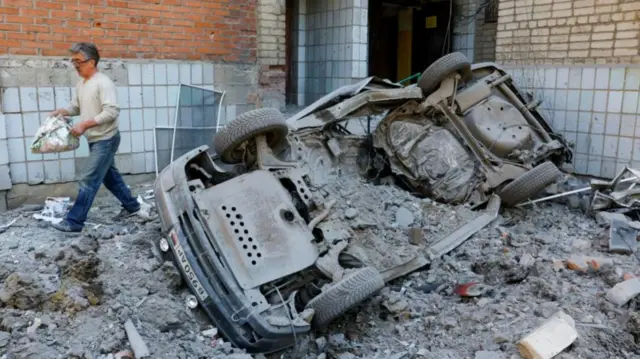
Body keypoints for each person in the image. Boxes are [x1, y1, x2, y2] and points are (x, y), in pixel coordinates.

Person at [49, 42, 150, 232]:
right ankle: (133, 206)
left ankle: (74, 222)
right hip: (94, 139)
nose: (75, 65)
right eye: (73, 61)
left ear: (91, 62)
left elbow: (111, 112)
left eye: (78, 61)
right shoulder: (82, 84)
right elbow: (76, 107)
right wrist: (62, 111)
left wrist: (85, 124)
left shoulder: (103, 83)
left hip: (106, 138)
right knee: (109, 177)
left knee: (89, 179)